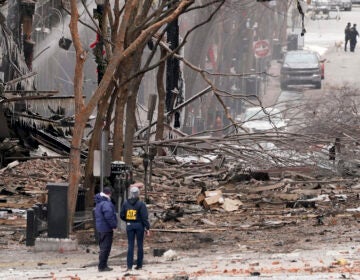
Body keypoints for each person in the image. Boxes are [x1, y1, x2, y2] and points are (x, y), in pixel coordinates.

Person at [120, 185, 150, 271]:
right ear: (138, 194)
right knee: (140, 245)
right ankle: (139, 265)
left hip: (129, 225)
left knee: (130, 245)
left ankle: (129, 266)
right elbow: (144, 217)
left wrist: (128, 220)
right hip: (139, 225)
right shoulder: (141, 204)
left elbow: (122, 215)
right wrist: (147, 228)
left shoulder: (126, 203)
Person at [94, 186, 118, 272]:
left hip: (100, 227)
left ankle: (103, 265)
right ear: (109, 194)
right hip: (106, 228)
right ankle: (102, 266)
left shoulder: (99, 202)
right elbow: (109, 216)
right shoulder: (106, 204)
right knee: (106, 248)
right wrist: (114, 225)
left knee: (102, 247)